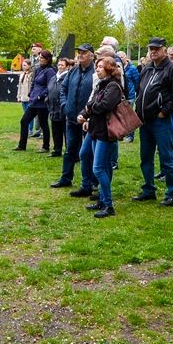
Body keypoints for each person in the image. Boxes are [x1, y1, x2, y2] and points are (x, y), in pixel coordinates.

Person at [133, 37, 173, 207]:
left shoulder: (171, 69)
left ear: (164, 49)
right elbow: (140, 91)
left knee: (167, 157)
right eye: (151, 48)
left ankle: (172, 193)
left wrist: (164, 112)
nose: (153, 51)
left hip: (160, 121)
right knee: (145, 157)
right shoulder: (147, 68)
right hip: (145, 121)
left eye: (157, 48)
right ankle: (148, 189)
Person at [78, 56, 125, 218]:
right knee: (98, 165)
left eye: (100, 67)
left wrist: (89, 109)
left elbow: (105, 105)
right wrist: (86, 112)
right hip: (95, 129)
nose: (97, 69)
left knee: (98, 168)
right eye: (97, 66)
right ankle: (102, 199)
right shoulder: (101, 84)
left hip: (106, 132)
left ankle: (108, 205)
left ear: (109, 69)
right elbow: (93, 103)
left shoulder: (113, 86)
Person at [51, 44, 96, 193]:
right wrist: (65, 105)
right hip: (71, 117)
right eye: (79, 52)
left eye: (84, 52)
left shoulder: (96, 72)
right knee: (70, 149)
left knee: (87, 152)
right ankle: (66, 178)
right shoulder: (73, 71)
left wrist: (88, 115)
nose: (80, 55)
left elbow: (97, 94)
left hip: (88, 120)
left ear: (91, 55)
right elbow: (63, 89)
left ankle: (89, 182)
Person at [15, 51, 56, 152]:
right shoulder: (38, 70)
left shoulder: (50, 71)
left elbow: (50, 86)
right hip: (34, 101)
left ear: (47, 59)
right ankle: (22, 145)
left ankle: (45, 146)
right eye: (39, 57)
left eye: (42, 57)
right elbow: (34, 83)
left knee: (43, 124)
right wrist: (31, 93)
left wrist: (40, 96)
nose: (39, 59)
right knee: (24, 121)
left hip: (42, 103)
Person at [47, 57, 71, 157]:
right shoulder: (54, 77)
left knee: (66, 131)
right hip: (53, 108)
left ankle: (68, 150)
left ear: (67, 66)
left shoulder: (68, 77)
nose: (60, 67)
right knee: (56, 131)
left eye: (62, 65)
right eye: (59, 65)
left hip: (63, 108)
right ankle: (57, 149)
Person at [117, 51, 140, 142]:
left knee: (129, 116)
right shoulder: (117, 67)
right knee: (120, 116)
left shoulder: (132, 69)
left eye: (122, 57)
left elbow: (137, 82)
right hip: (119, 96)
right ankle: (121, 134)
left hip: (129, 95)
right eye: (118, 57)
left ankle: (130, 136)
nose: (120, 59)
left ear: (125, 57)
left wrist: (134, 92)